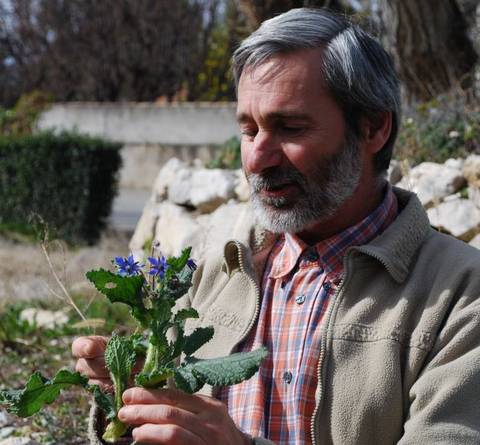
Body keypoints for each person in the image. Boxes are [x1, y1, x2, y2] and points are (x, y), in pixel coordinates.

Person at [73, 8, 480, 445]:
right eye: (249, 130)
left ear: (374, 128)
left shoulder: (460, 296)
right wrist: (130, 400)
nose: (257, 159)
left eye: (289, 128)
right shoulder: (215, 264)